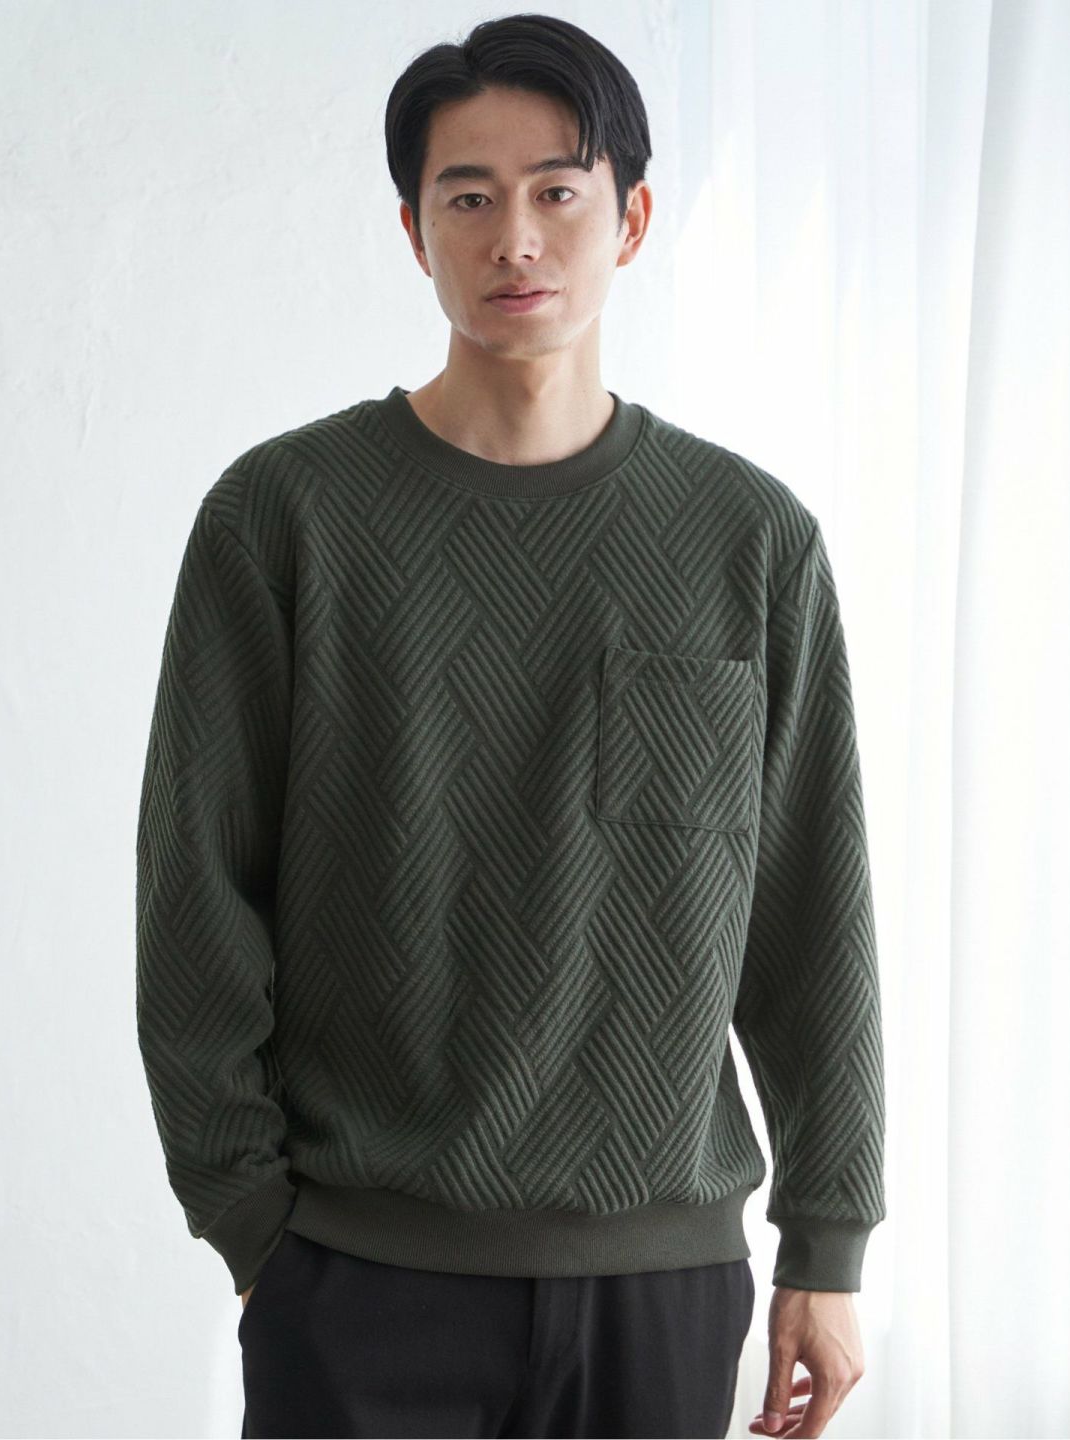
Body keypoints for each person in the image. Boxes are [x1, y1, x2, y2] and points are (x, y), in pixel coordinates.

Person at [134, 13, 886, 1439]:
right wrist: (250, 1221)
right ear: (413, 230)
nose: (516, 239)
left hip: (660, 1281)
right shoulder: (284, 520)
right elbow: (196, 893)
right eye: (468, 197)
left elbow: (811, 918)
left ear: (633, 218)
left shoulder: (748, 540)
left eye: (558, 191)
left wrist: (829, 1242)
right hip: (358, 1277)